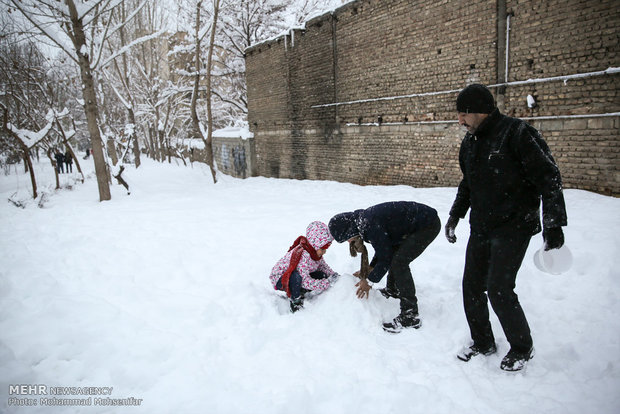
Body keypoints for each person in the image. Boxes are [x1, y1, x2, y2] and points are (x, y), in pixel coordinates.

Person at [445, 84, 568, 372]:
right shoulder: (471, 142)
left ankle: (522, 347)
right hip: (482, 225)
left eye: (464, 114)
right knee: (471, 286)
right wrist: (455, 216)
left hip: (514, 226)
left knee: (499, 288)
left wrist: (553, 224)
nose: (460, 121)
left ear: (482, 111)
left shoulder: (517, 133)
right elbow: (468, 183)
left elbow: (549, 178)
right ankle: (483, 342)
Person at [329, 201, 441, 333]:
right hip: (412, 224)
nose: (349, 242)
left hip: (427, 225)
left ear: (348, 231)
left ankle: (409, 315)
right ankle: (393, 290)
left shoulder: (369, 225)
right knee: (396, 257)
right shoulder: (364, 221)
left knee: (400, 263)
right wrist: (370, 269)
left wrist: (369, 281)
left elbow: (385, 259)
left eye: (346, 239)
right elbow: (385, 249)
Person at [269, 221, 339, 313]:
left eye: (325, 249)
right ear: (315, 245)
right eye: (322, 249)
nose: (324, 252)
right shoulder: (303, 256)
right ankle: (295, 301)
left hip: (297, 275)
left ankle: (300, 290)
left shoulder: (314, 253)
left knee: (321, 274)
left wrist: (334, 276)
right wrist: (326, 283)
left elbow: (323, 267)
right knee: (297, 277)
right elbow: (305, 280)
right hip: (280, 279)